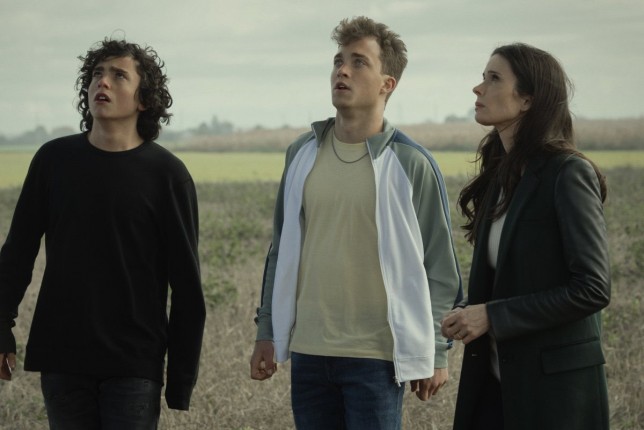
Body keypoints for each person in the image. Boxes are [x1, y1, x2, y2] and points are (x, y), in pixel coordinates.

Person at [249, 16, 462, 429]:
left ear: (387, 84)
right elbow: (280, 250)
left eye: (358, 62)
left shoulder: (411, 163)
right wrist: (267, 331)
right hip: (309, 352)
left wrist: (436, 350)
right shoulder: (301, 154)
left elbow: (439, 267)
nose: (342, 71)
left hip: (377, 357)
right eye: (338, 60)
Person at [0, 38, 206, 429]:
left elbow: (187, 288)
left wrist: (180, 381)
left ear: (144, 99)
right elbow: (18, 252)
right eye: (97, 73)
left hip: (134, 364)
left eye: (118, 75)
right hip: (62, 358)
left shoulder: (167, 176)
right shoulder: (53, 160)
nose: (103, 82)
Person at [441, 43, 610, 430]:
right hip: (495, 384)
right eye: (483, 77)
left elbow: (593, 288)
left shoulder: (567, 173)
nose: (478, 88)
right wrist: (467, 311)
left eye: (493, 78)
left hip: (554, 395)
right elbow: (514, 278)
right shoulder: (499, 175)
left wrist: (491, 316)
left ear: (528, 99)